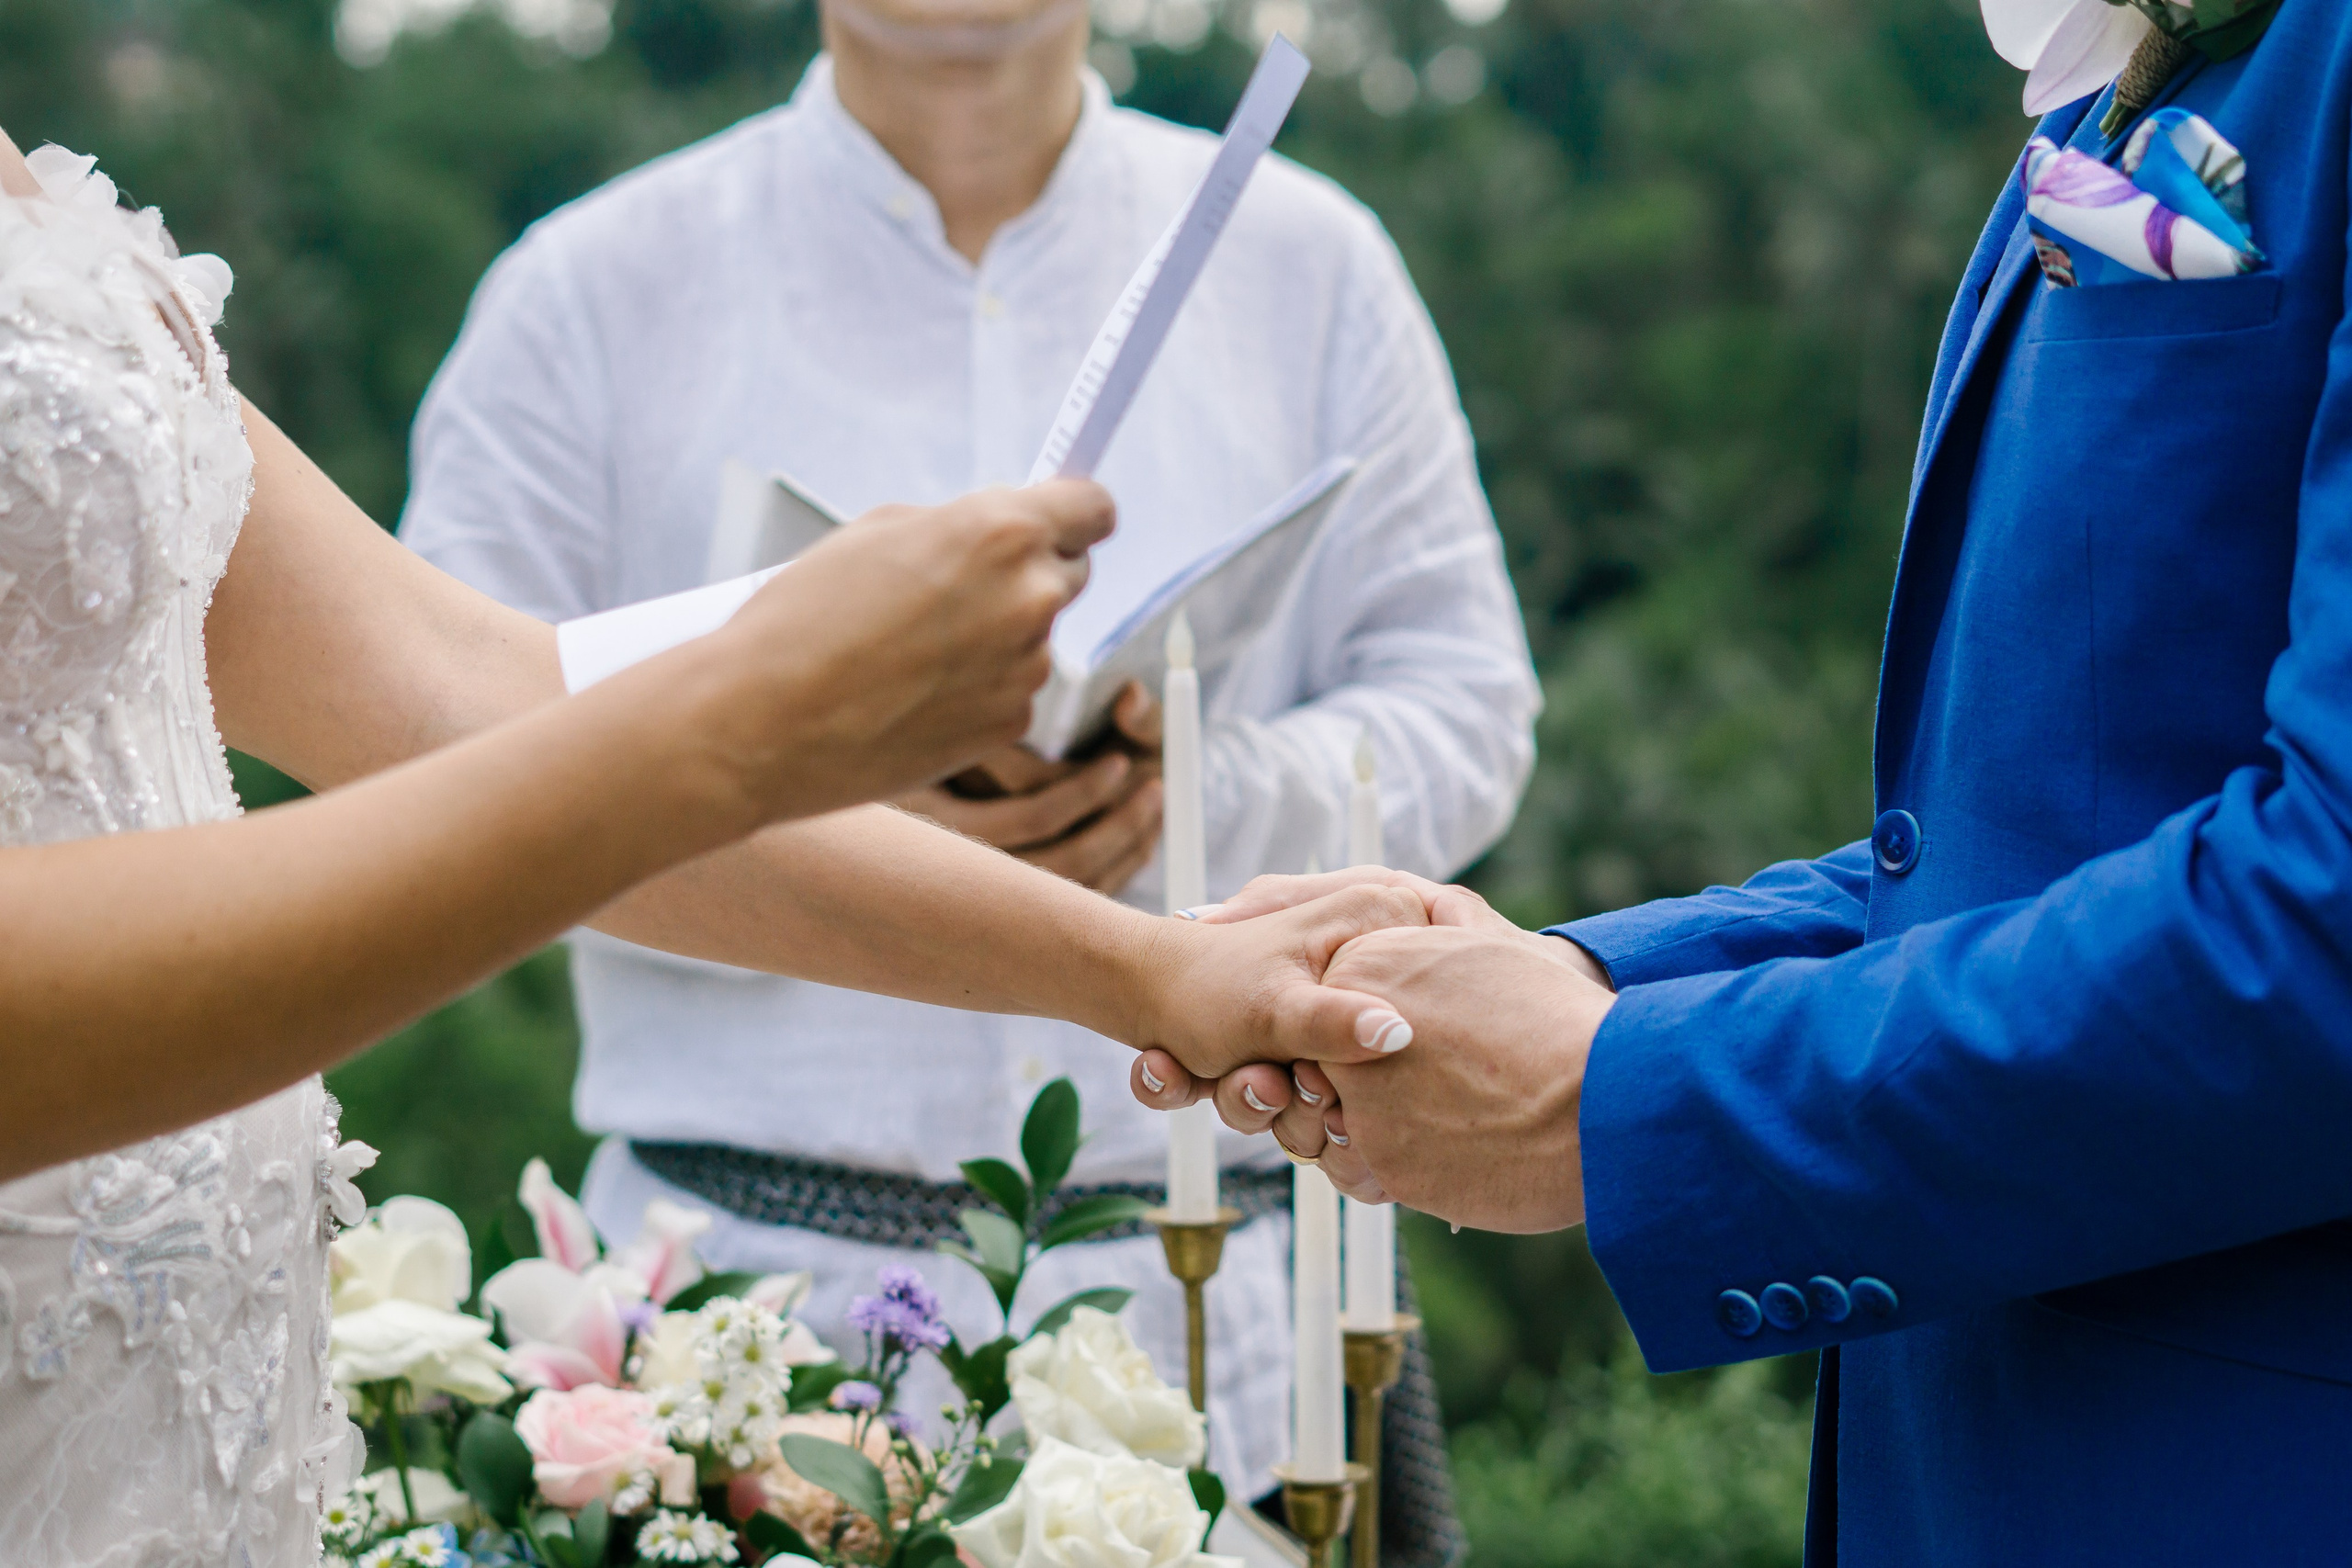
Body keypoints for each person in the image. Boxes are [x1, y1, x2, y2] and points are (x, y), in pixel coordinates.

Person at [0, 129, 1419, 1567]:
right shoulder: (587, 280)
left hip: (197, 1447)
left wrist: (1146, 972)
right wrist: (745, 714)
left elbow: (455, 698)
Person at [1143, 0, 2352, 1559]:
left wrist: (1620, 1092)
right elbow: (2042, 842)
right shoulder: (2101, 74)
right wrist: (1574, 980)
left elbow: (2320, 924)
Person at [397, 0, 1536, 1540]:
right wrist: (786, 784)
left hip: (1233, 1340)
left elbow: (1465, 705)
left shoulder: (1311, 262)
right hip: (734, 1361)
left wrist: (1180, 811)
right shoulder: (583, 294)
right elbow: (440, 790)